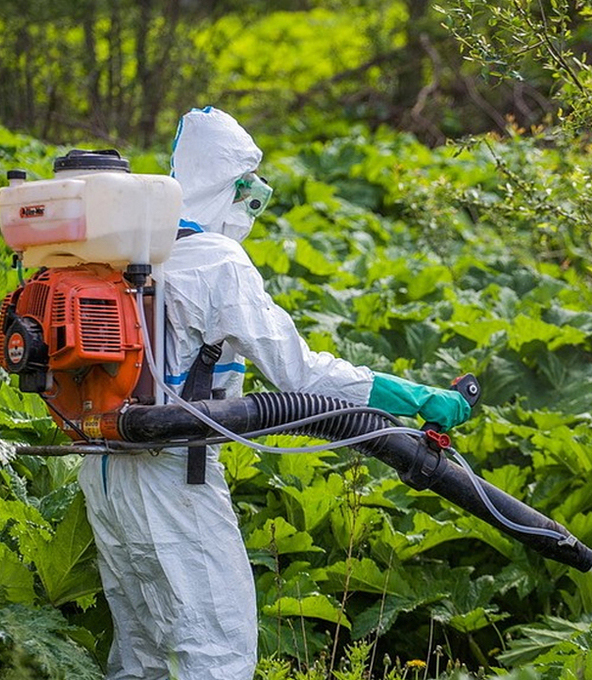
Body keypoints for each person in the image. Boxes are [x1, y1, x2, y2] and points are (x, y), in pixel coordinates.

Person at [78, 107, 471, 680]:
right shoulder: (216, 260)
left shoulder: (122, 253)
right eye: (246, 187)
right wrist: (412, 395)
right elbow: (300, 377)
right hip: (173, 473)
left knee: (139, 653)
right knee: (218, 649)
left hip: (102, 469)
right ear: (228, 185)